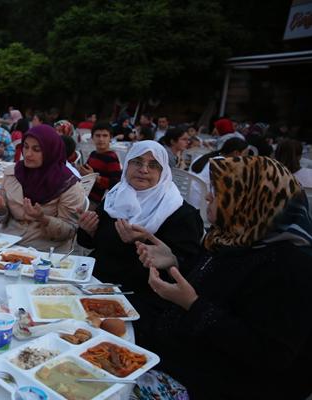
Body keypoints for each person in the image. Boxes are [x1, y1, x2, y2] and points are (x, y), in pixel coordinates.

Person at [134, 156, 312, 399]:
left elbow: (271, 355)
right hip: (177, 352)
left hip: (219, 383)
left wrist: (193, 305)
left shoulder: (290, 265)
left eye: (218, 192)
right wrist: (174, 261)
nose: (208, 196)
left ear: (249, 200)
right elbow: (213, 287)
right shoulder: (231, 239)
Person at [76, 141, 203, 299]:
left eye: (154, 165)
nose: (143, 170)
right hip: (95, 284)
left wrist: (144, 242)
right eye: (137, 162)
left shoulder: (181, 214)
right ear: (127, 165)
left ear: (164, 173)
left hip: (142, 296)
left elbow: (187, 270)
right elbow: (94, 244)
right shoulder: (115, 197)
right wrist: (90, 230)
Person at [0, 124, 84, 252]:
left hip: (45, 250)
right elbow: (4, 218)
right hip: (8, 243)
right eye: (25, 147)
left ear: (50, 151)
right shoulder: (12, 174)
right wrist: (0, 209)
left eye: (36, 149)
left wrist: (42, 218)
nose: (28, 154)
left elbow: (70, 230)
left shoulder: (67, 183)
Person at [78, 122, 122, 207]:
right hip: (84, 194)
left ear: (110, 138)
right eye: (97, 136)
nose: (101, 139)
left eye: (105, 136)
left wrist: (94, 177)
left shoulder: (111, 158)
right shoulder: (93, 154)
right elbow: (86, 172)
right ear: (92, 138)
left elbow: (116, 184)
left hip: (96, 202)